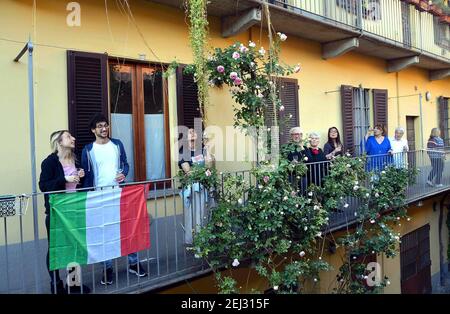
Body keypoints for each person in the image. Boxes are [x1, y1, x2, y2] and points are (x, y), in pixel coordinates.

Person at [81, 114, 147, 286]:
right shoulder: (88, 150)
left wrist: (124, 173)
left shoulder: (117, 144)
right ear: (93, 130)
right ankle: (107, 268)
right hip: (98, 197)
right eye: (100, 126)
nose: (104, 129)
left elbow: (125, 164)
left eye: (106, 125)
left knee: (128, 228)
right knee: (104, 232)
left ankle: (134, 263)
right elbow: (85, 177)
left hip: (119, 195)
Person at [39, 130, 90, 294]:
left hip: (74, 211)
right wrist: (64, 179)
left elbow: (79, 186)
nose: (73, 138)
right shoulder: (49, 162)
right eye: (69, 136)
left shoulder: (75, 160)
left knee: (74, 247)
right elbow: (44, 186)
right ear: (59, 142)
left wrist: (80, 176)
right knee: (55, 248)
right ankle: (56, 285)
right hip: (56, 213)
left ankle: (74, 285)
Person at [178, 129, 214, 245]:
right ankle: (194, 242)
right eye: (189, 132)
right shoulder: (183, 153)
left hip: (205, 187)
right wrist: (204, 172)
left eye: (194, 131)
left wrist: (207, 150)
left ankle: (205, 240)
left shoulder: (202, 150)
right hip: (192, 189)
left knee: (205, 213)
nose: (193, 133)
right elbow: (188, 171)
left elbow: (210, 166)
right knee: (193, 216)